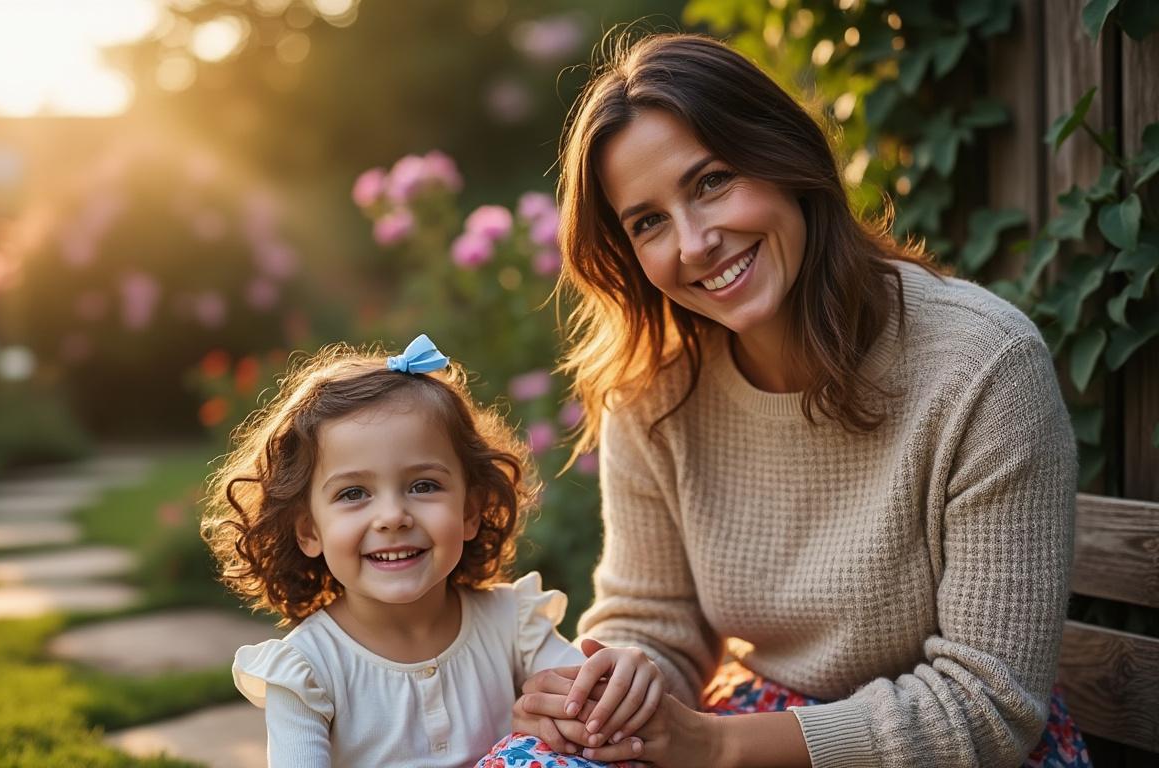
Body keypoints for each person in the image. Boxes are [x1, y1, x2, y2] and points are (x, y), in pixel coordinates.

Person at [511, 32, 1091, 768]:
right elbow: (654, 621)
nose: (694, 243)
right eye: (648, 221)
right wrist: (613, 688)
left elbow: (989, 707)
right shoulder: (654, 386)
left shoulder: (983, 366)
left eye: (712, 181)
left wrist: (714, 745)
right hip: (752, 723)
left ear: (786, 157)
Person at [201, 335, 659, 767]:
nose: (392, 516)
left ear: (470, 511)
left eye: (423, 486)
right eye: (353, 493)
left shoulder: (511, 624)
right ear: (308, 530)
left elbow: (588, 706)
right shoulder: (306, 669)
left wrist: (611, 681)